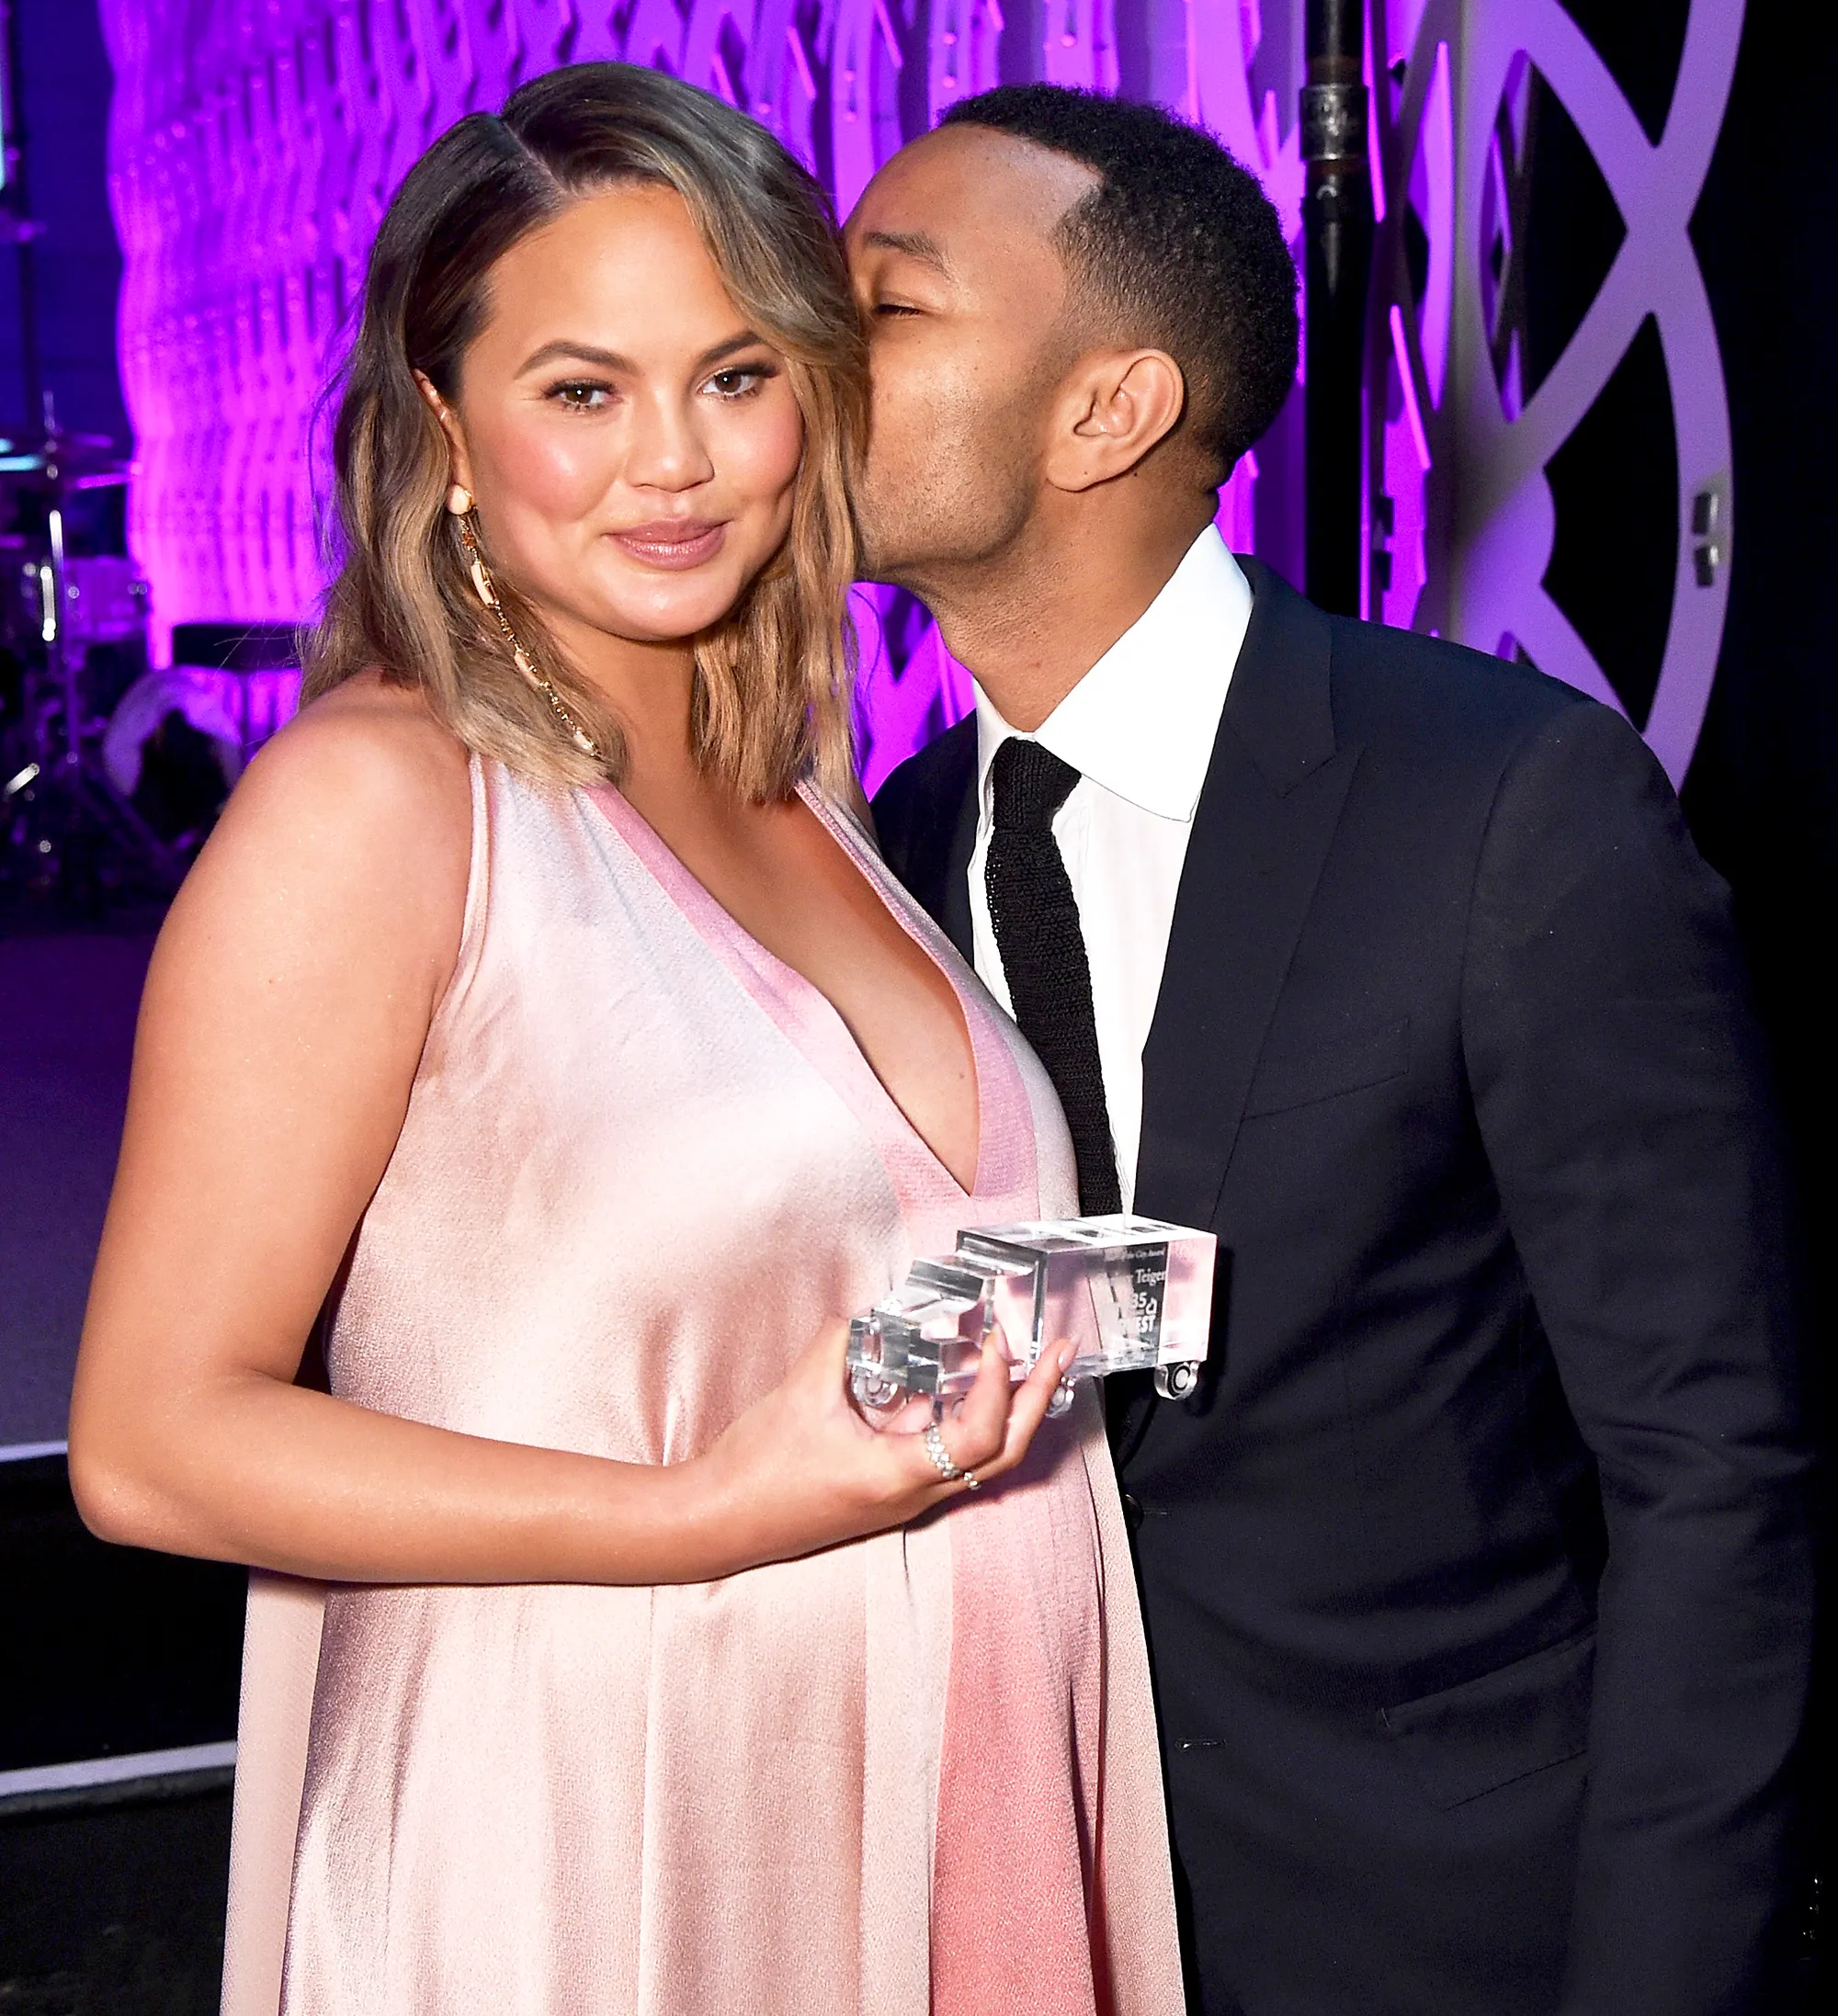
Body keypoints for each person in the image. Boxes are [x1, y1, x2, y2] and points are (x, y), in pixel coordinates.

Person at [67, 65, 1186, 2016]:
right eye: (583, 390)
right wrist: (697, 1513)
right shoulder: (378, 802)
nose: (674, 462)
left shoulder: (807, 784)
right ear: (446, 420)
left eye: (735, 376)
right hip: (593, 1826)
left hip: (932, 1780)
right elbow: (154, 1443)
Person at [856, 85, 1815, 2016]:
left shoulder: (1502, 802)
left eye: (884, 304)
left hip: (1445, 1929)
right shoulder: (890, 842)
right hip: (1020, 1916)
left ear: (1107, 407)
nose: (802, 351)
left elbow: (1712, 1471)